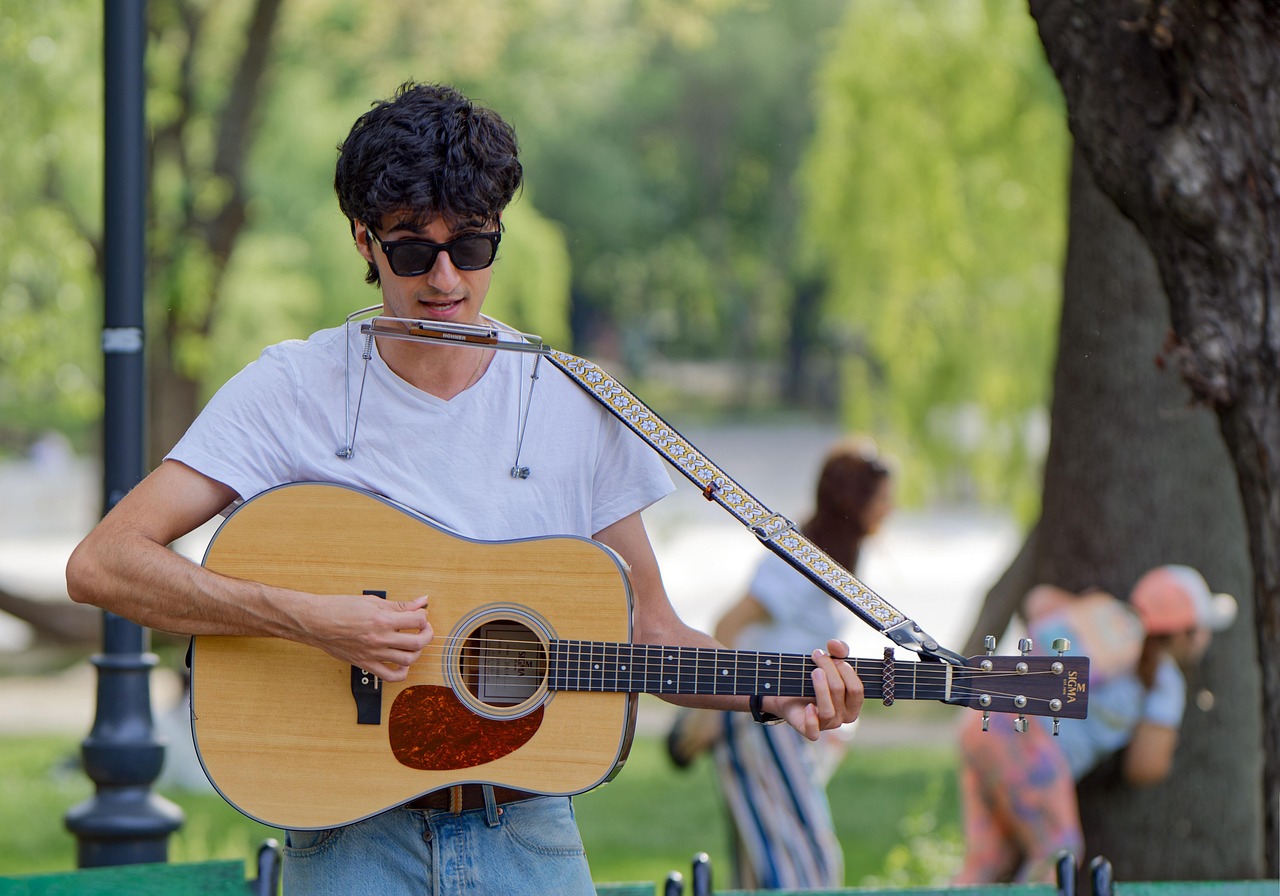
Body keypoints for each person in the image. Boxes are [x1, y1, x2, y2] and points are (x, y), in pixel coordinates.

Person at [64, 82, 864, 895]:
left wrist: (783, 692)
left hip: (528, 831)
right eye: (413, 250)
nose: (445, 279)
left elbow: (647, 631)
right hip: (348, 839)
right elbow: (104, 563)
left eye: (472, 247)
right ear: (363, 241)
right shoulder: (291, 389)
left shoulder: (574, 399)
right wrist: (313, 620)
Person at [666, 438, 893, 889]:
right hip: (760, 715)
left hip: (778, 718)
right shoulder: (800, 557)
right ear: (858, 499)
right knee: (804, 867)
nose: (892, 508)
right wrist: (705, 712)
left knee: (766, 868)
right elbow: (730, 622)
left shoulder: (831, 557)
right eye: (885, 497)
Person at [954, 565, 1237, 884]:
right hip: (1026, 741)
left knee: (989, 859)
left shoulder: (1099, 620)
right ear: (1185, 631)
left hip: (982, 718)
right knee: (1057, 851)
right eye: (1202, 629)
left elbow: (1038, 605)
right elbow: (1145, 766)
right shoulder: (1164, 680)